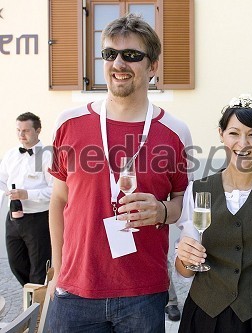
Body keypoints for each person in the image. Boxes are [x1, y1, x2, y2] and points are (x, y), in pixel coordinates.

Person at [47, 13, 192, 332]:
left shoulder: (174, 132)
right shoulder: (69, 124)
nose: (118, 63)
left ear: (153, 66)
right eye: (110, 53)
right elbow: (58, 201)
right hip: (75, 292)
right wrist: (58, 272)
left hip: (144, 294)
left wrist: (161, 210)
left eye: (132, 55)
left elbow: (182, 204)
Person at [175, 94, 252, 333]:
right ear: (221, 134)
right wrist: (184, 258)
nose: (243, 143)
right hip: (206, 313)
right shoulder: (197, 189)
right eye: (234, 133)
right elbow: (185, 268)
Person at [0, 112, 53, 286]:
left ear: (38, 130)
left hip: (38, 219)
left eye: (26, 131)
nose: (21, 135)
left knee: (39, 267)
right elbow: (2, 179)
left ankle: (37, 307)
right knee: (16, 263)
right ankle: (30, 293)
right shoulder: (10, 154)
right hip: (13, 216)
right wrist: (9, 192)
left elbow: (55, 191)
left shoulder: (48, 155)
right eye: (18, 130)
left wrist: (27, 195)